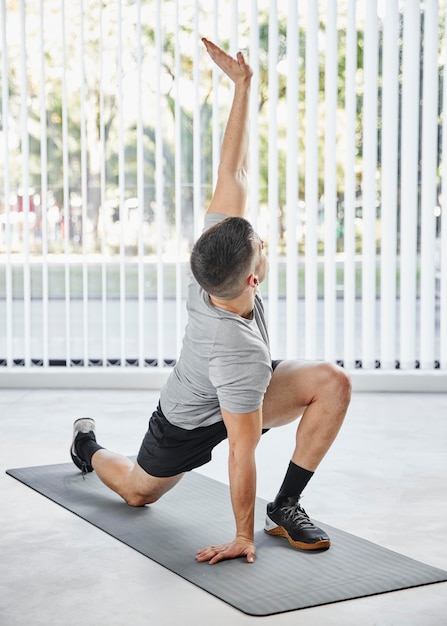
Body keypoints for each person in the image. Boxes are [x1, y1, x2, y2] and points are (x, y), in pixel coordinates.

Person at [70, 38, 351, 565]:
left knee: (331, 382)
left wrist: (244, 86)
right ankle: (85, 446)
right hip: (188, 418)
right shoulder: (239, 351)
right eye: (260, 249)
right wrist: (241, 536)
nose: (263, 245)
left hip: (240, 390)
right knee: (137, 491)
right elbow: (241, 451)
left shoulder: (214, 261)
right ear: (251, 281)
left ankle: (286, 505)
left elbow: (234, 173)